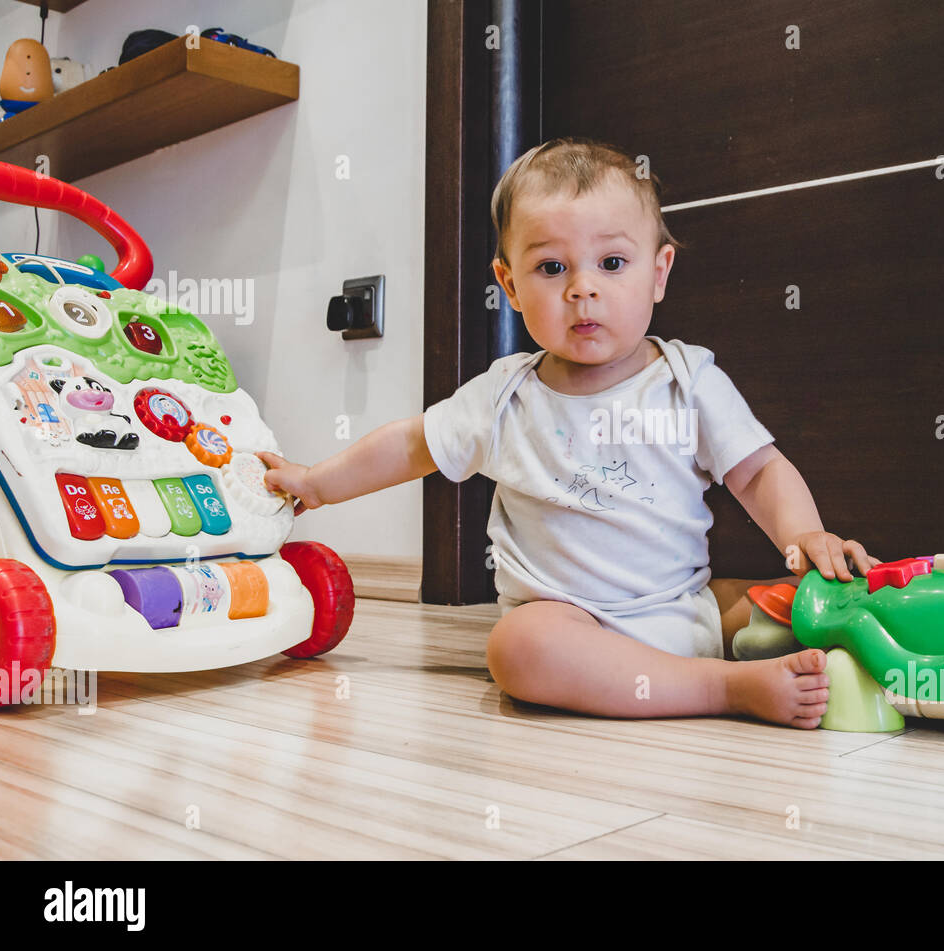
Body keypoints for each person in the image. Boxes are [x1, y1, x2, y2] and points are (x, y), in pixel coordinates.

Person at [260, 137, 880, 728]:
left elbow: (759, 471)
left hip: (685, 609)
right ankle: (724, 688)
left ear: (659, 273)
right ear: (509, 286)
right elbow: (410, 446)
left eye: (612, 263)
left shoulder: (688, 380)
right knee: (517, 650)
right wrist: (316, 483)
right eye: (552, 267)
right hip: (570, 629)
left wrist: (805, 536)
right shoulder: (503, 396)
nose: (583, 288)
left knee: (811, 598)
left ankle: (887, 623)